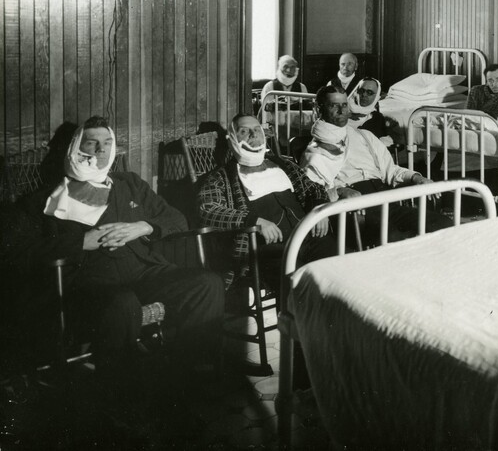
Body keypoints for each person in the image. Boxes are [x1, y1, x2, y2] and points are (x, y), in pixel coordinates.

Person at [0, 116, 223, 371]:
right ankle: (118, 391)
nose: (101, 149)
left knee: (207, 283)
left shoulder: (129, 184)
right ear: (75, 148)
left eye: (107, 142)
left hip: (142, 270)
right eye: (92, 143)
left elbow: (177, 219)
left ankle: (190, 374)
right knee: (122, 303)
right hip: (88, 281)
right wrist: (80, 242)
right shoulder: (44, 200)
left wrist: (143, 227)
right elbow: (14, 251)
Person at [197, 113, 336, 290]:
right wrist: (254, 221)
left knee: (342, 268)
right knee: (303, 285)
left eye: (257, 130)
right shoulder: (221, 178)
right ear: (232, 139)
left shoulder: (284, 165)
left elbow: (313, 187)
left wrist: (319, 208)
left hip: (309, 238)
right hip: (269, 251)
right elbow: (207, 210)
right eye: (244, 131)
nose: (253, 135)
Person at [301, 87, 451, 243]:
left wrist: (415, 178)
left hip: (385, 199)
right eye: (333, 105)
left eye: (344, 105)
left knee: (444, 224)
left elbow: (391, 171)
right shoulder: (315, 150)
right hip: (356, 210)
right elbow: (313, 191)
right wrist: (340, 190)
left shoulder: (364, 136)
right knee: (395, 239)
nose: (341, 111)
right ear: (319, 109)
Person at [346, 76, 402, 147]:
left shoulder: (376, 119)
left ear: (376, 97)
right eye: (361, 91)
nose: (364, 95)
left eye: (369, 92)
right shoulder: (342, 108)